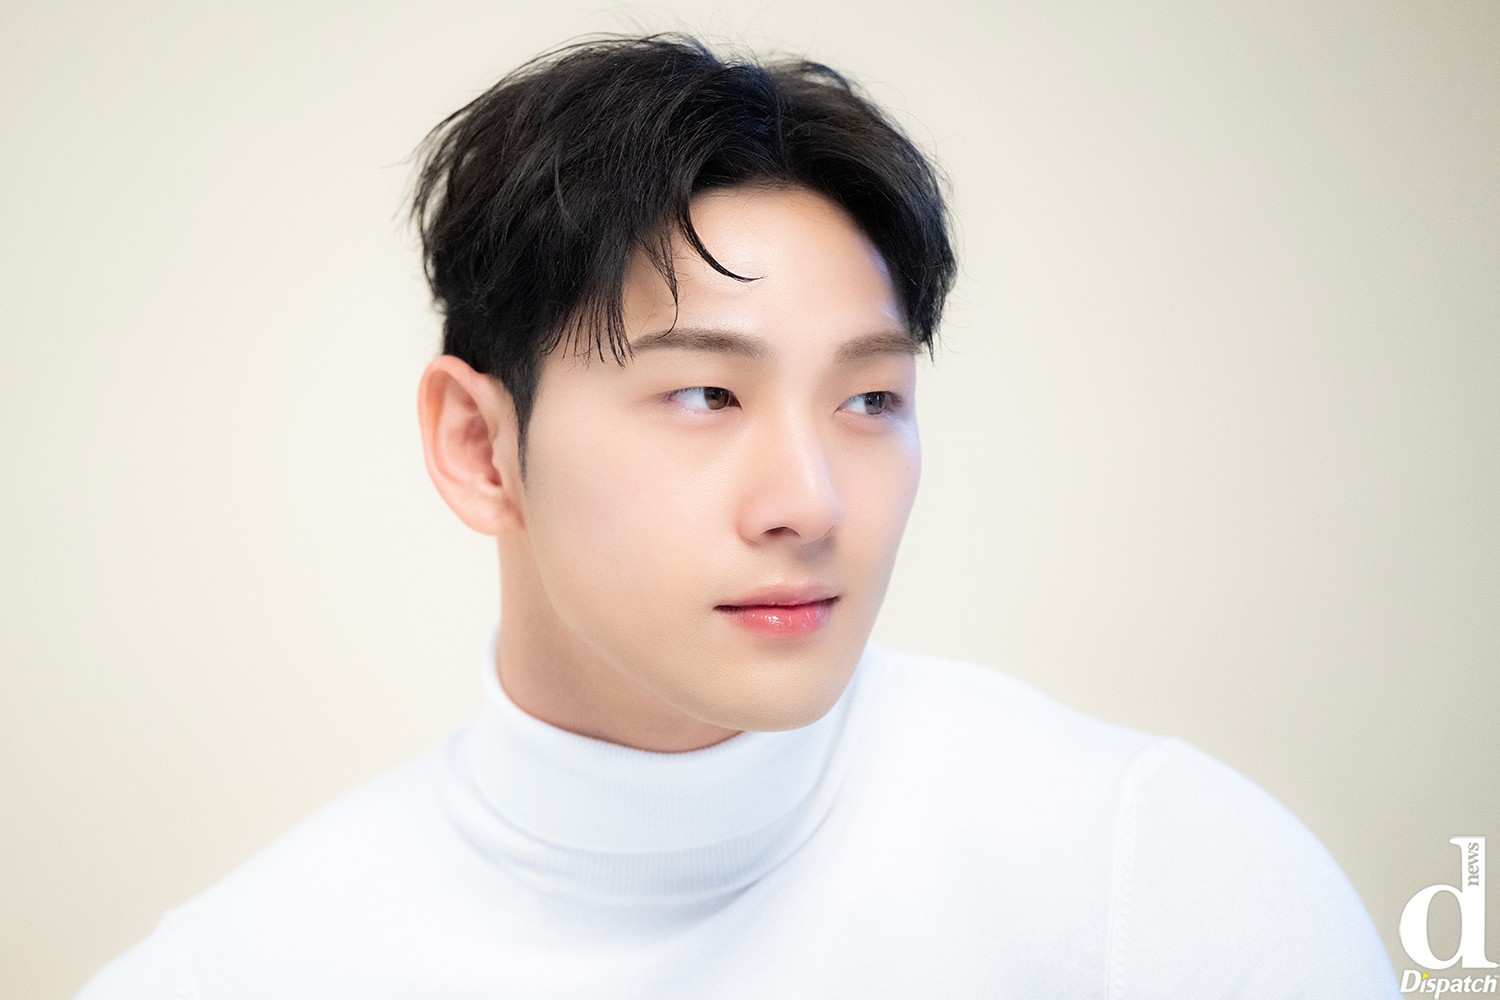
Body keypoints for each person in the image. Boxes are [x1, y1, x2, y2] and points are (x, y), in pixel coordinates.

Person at [78, 34, 1398, 999]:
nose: (809, 503)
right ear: (480, 446)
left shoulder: (1159, 883)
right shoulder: (233, 972)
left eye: (870, 399)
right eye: (706, 394)